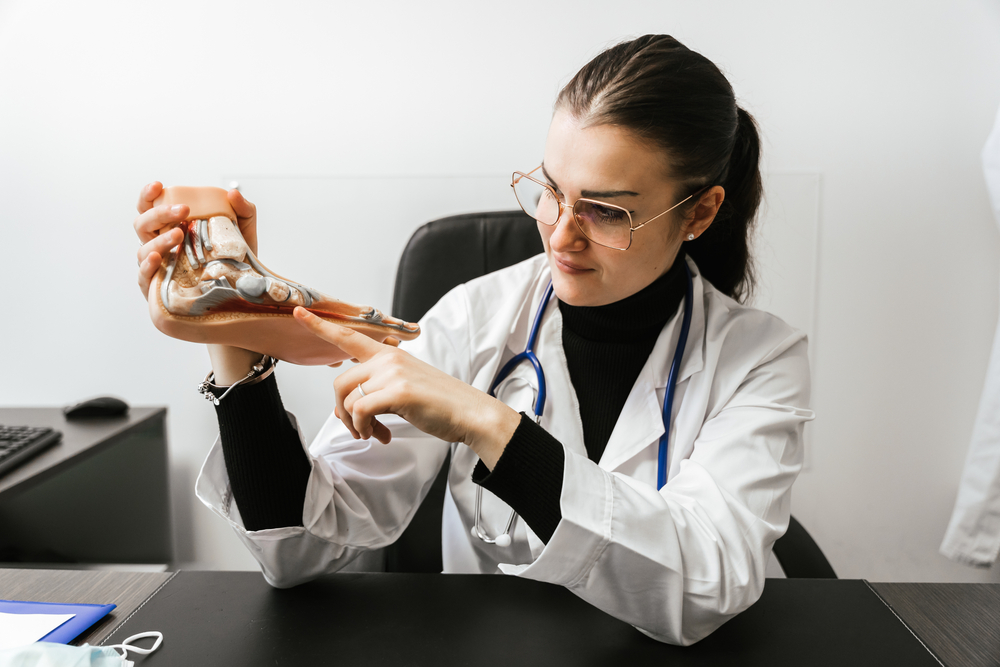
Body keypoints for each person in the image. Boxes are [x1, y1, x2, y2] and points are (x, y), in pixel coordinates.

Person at [133, 34, 813, 646]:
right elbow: (299, 547)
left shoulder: (759, 360)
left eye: (606, 211)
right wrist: (227, 323)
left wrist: (488, 423)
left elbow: (705, 586)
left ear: (699, 211)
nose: (559, 232)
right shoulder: (475, 317)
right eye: (551, 189)